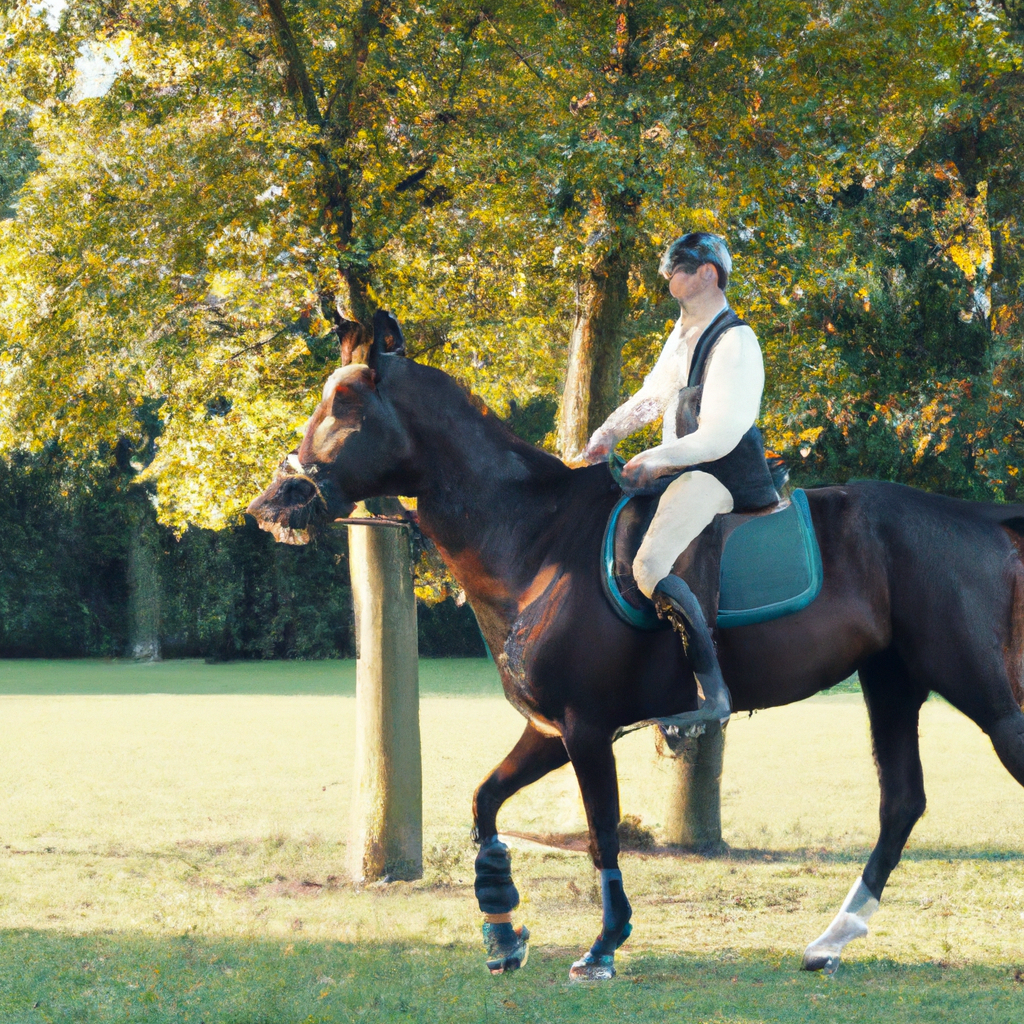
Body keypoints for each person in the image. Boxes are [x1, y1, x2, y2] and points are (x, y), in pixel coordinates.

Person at [582, 232, 778, 725]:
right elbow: (653, 395)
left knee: (648, 567)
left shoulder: (737, 341)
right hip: (679, 471)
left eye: (676, 268)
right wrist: (607, 434)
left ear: (707, 273)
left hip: (718, 479)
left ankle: (712, 696)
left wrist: (656, 458)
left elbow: (718, 437)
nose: (667, 276)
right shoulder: (682, 333)